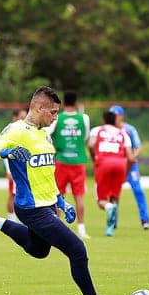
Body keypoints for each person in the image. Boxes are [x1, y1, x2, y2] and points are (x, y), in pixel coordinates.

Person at [0, 86, 129, 295]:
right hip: (31, 208)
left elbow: (47, 174)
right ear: (39, 108)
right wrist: (7, 151)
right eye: (52, 112)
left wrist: (62, 201)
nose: (55, 117)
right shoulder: (17, 130)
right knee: (77, 250)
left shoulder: (44, 134)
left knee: (39, 250)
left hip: (48, 204)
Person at [46, 90, 91, 239]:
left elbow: (47, 133)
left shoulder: (58, 118)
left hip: (61, 161)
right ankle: (82, 229)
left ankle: (57, 227)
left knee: (59, 195)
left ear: (63, 103)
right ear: (77, 103)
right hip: (78, 161)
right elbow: (86, 137)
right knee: (79, 196)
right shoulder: (83, 118)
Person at [88, 110, 134, 236]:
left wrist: (94, 159)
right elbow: (131, 158)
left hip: (103, 163)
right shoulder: (123, 133)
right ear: (115, 121)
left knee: (101, 201)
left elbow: (91, 144)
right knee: (114, 197)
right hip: (120, 164)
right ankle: (110, 228)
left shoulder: (97, 130)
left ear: (103, 121)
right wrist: (126, 172)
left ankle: (109, 208)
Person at [110, 105, 149, 230]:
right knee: (114, 194)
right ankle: (112, 221)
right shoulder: (108, 130)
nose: (114, 118)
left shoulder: (129, 129)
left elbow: (138, 146)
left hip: (130, 166)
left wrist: (132, 157)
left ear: (121, 116)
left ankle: (145, 220)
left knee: (138, 191)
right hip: (116, 166)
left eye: (116, 116)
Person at [5, 108, 27, 221]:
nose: (24, 120)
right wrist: (8, 170)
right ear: (15, 118)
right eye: (22, 117)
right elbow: (4, 150)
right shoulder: (9, 130)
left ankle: (19, 218)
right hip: (13, 168)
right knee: (13, 194)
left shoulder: (23, 130)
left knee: (21, 192)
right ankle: (11, 218)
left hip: (23, 168)